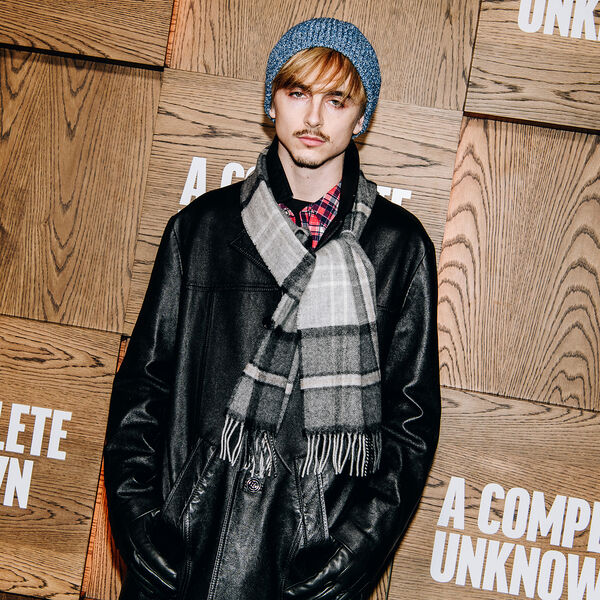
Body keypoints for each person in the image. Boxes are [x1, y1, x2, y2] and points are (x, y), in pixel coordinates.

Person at [104, 17, 440, 600]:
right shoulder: (201, 230)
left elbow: (409, 424)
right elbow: (143, 387)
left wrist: (353, 550)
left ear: (361, 117)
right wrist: (139, 521)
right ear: (271, 103)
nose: (314, 118)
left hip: (303, 564)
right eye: (297, 93)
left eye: (337, 100)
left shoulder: (398, 248)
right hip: (186, 549)